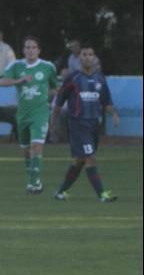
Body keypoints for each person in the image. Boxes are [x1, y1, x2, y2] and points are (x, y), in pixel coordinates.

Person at [51, 45, 120, 202]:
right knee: (90, 158)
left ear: (94, 58)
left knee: (79, 160)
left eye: (90, 54)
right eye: (84, 54)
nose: (87, 57)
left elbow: (106, 102)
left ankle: (60, 192)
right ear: (79, 58)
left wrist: (114, 114)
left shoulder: (100, 78)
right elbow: (59, 102)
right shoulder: (73, 77)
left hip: (94, 124)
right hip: (78, 124)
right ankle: (102, 195)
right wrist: (53, 123)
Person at [0, 36, 58, 194]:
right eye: (27, 47)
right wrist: (19, 80)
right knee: (26, 150)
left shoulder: (47, 67)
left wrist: (47, 97)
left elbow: (55, 87)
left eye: (33, 47)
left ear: (39, 50)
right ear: (23, 50)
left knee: (36, 146)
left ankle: (34, 183)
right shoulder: (16, 66)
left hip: (40, 113)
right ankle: (32, 180)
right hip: (23, 115)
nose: (30, 50)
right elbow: (1, 81)